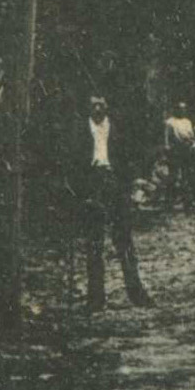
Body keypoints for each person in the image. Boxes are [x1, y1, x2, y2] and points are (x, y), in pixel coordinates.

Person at [69, 93, 153, 310]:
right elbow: (73, 163)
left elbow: (129, 157)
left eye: (101, 104)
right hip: (92, 184)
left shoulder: (118, 129)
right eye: (93, 105)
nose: (97, 109)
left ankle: (136, 292)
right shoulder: (78, 130)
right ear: (87, 107)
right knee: (94, 242)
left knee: (124, 239)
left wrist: (133, 184)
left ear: (107, 105)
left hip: (116, 183)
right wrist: (79, 191)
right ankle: (95, 298)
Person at [163, 100, 195, 211]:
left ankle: (187, 201)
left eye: (184, 108)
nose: (182, 111)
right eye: (180, 108)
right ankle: (170, 201)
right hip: (175, 151)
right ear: (175, 109)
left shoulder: (187, 122)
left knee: (187, 175)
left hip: (186, 150)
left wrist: (193, 144)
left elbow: (191, 135)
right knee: (173, 176)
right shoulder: (170, 122)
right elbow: (167, 138)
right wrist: (167, 149)